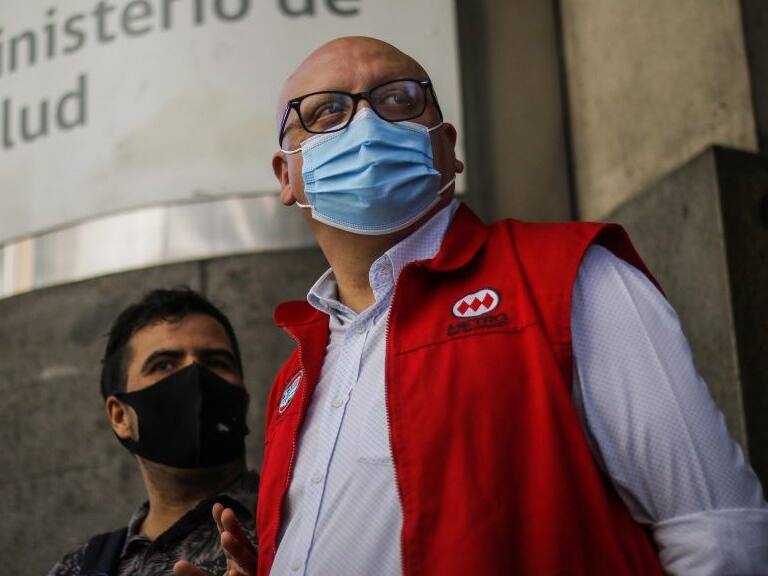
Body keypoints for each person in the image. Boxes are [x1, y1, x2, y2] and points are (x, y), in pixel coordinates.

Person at [177, 36, 768, 576]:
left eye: (399, 99)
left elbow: (719, 534)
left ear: (448, 147)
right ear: (287, 176)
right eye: (327, 111)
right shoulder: (297, 373)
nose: (367, 123)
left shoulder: (568, 279)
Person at [49, 288, 258, 576]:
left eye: (216, 362)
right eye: (164, 365)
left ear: (243, 400)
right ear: (120, 416)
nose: (195, 374)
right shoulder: (79, 567)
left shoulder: (301, 520)